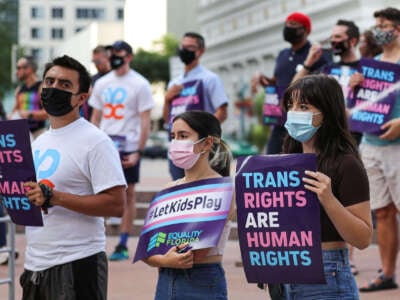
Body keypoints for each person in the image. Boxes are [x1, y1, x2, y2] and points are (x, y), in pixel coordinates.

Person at [21, 55, 127, 299]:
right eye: (49, 81)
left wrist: (55, 197)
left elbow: (116, 204)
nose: (54, 88)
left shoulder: (96, 142)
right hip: (36, 264)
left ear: (82, 98)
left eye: (64, 84)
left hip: (77, 264)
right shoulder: (39, 142)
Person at [280, 74, 372, 299]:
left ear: (326, 112)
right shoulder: (286, 161)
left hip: (327, 273)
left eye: (303, 106)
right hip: (288, 272)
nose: (294, 112)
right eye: (291, 106)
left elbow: (363, 238)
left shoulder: (346, 164)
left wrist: (329, 199)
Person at [143, 110, 233, 300]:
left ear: (207, 143)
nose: (176, 143)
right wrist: (164, 259)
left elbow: (196, 253)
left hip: (202, 281)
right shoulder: (167, 190)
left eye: (183, 136)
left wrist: (163, 257)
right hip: (166, 281)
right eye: (173, 136)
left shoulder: (223, 189)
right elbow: (147, 248)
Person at [89, 40, 155, 261]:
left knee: (129, 193)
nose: (115, 57)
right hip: (105, 145)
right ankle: (99, 242)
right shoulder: (101, 83)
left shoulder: (140, 84)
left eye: (120, 53)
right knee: (100, 192)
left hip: (128, 146)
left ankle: (123, 243)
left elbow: (145, 121)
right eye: (112, 54)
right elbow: (95, 117)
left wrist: (139, 150)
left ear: (129, 56)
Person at [351, 7, 400, 293]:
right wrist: (355, 88)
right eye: (377, 24)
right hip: (371, 145)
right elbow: (361, 106)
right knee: (381, 212)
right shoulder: (374, 65)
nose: (379, 29)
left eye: (385, 24)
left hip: (398, 148)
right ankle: (388, 273)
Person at [258, 12, 330, 155]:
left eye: (293, 24)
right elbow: (278, 81)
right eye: (287, 24)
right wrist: (266, 82)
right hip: (280, 120)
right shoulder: (282, 54)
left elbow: (322, 87)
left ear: (306, 30)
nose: (288, 27)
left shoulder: (316, 55)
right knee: (272, 159)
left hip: (303, 122)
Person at [162, 32, 229, 181]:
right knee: (179, 191)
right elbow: (167, 120)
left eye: (190, 47)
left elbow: (222, 112)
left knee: (206, 190)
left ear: (200, 51)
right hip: (178, 148)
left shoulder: (210, 79)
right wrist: (167, 99)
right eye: (183, 46)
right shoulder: (174, 83)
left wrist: (204, 133)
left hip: (201, 148)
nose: (185, 50)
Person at [293, 19, 363, 146]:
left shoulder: (366, 69)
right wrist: (308, 63)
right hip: (331, 136)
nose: (333, 41)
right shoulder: (327, 69)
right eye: (332, 37)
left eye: (338, 37)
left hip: (359, 136)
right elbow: (294, 89)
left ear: (352, 41)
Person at [9, 55, 47, 139]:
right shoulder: (19, 89)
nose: (16, 72)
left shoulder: (41, 87)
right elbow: (15, 112)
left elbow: (47, 113)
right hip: (22, 134)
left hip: (38, 134)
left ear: (29, 69)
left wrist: (29, 114)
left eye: (18, 68)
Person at [81, 45, 112, 121]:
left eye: (98, 61)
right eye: (94, 61)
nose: (96, 64)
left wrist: (94, 94)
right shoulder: (92, 79)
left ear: (107, 58)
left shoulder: (116, 78)